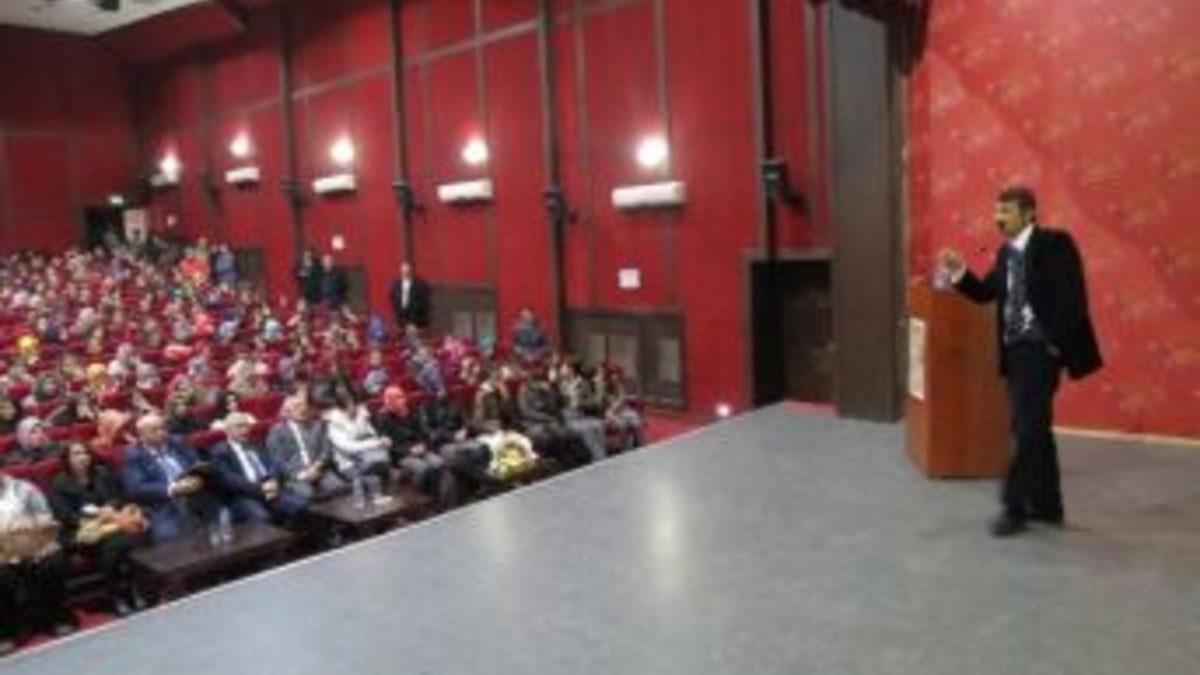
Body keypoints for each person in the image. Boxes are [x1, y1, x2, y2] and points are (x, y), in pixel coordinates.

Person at [937, 185, 1102, 537]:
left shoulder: (1055, 244)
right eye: (996, 211)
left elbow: (1073, 299)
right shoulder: (1005, 254)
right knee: (1036, 428)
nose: (998, 218)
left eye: (1006, 211)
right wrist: (959, 271)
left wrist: (1054, 346)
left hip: (1041, 350)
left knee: (1025, 429)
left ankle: (1014, 507)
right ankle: (1048, 506)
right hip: (1015, 353)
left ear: (1028, 214)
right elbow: (985, 294)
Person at [49, 442, 147, 616]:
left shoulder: (102, 473)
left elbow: (119, 497)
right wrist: (98, 517)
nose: (83, 457)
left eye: (85, 453)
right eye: (76, 454)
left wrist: (110, 507)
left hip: (112, 525)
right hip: (82, 532)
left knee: (119, 541)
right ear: (67, 459)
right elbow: (65, 516)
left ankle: (123, 593)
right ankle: (125, 593)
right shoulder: (59, 483)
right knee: (120, 542)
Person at [0, 472, 78, 654]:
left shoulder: (25, 489)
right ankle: (6, 633)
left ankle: (58, 619)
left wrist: (34, 539)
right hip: (2, 552)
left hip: (33, 542)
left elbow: (45, 518)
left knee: (52, 561)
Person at [121, 413, 216, 543]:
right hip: (165, 504)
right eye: (155, 430)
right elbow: (136, 488)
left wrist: (197, 477)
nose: (162, 432)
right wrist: (173, 488)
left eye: (163, 428)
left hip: (197, 494)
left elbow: (196, 464)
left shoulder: (178, 442)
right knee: (169, 536)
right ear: (142, 435)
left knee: (225, 517)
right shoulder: (134, 455)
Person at [210, 412, 307, 525]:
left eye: (246, 426)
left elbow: (274, 464)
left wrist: (273, 481)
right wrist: (261, 489)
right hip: (245, 496)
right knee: (262, 517)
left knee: (301, 506)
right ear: (228, 430)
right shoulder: (220, 451)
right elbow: (231, 480)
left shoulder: (256, 443)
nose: (245, 430)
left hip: (270, 489)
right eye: (239, 426)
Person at [372, 386, 446, 499]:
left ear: (404, 398)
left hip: (421, 449)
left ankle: (443, 498)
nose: (390, 402)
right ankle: (426, 496)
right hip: (402, 455)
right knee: (424, 469)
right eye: (388, 399)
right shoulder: (382, 419)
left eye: (395, 398)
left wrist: (423, 445)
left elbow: (425, 434)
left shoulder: (414, 413)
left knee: (439, 464)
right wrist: (409, 450)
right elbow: (389, 446)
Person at [265, 395, 342, 501]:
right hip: (296, 475)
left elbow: (326, 450)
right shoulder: (276, 432)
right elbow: (279, 461)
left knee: (339, 488)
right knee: (307, 495)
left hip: (319, 470)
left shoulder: (317, 425)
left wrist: (317, 466)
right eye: (296, 407)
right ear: (287, 412)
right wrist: (302, 475)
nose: (302, 410)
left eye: (303, 406)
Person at [388, 261, 431, 330]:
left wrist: (414, 322)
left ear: (411, 272)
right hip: (400, 321)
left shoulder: (420, 286)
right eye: (403, 272)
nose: (405, 274)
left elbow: (422, 305)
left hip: (416, 322)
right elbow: (393, 300)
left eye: (407, 272)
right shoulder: (396, 285)